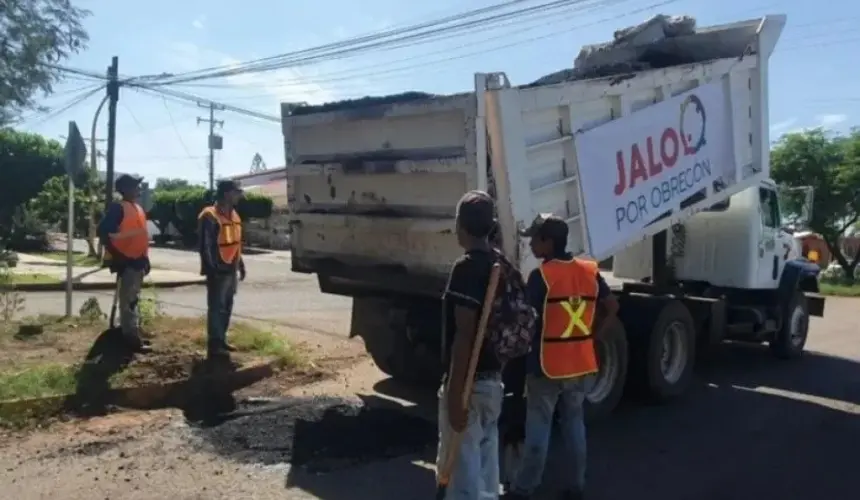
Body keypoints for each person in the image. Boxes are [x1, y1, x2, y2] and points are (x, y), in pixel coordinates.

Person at [506, 214, 619, 500]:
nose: (531, 244)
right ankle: (576, 485)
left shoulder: (541, 277)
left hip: (546, 367)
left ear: (549, 242)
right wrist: (593, 337)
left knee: (539, 429)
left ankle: (524, 488)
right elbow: (612, 306)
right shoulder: (588, 271)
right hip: (580, 364)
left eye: (535, 239)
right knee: (573, 423)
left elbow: (526, 321)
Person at [437, 190, 504, 500]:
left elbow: (464, 335)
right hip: (493, 384)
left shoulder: (466, 269)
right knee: (486, 474)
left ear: (460, 225)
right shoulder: (501, 265)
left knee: (462, 479)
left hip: (469, 386)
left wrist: (454, 395)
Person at [97, 174, 152, 353]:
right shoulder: (118, 208)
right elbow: (104, 233)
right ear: (126, 189)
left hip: (138, 261)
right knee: (128, 301)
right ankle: (131, 338)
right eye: (135, 186)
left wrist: (145, 259)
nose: (139, 189)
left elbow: (139, 235)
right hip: (127, 261)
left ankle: (132, 331)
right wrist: (118, 256)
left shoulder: (137, 208)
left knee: (133, 300)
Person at [198, 180, 247, 359]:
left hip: (231, 268)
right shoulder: (209, 216)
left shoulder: (233, 214)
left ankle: (222, 339)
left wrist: (240, 264)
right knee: (216, 307)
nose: (239, 196)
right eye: (236, 192)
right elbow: (206, 246)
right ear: (227, 193)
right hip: (218, 270)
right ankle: (214, 344)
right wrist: (213, 269)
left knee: (226, 305)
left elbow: (235, 243)